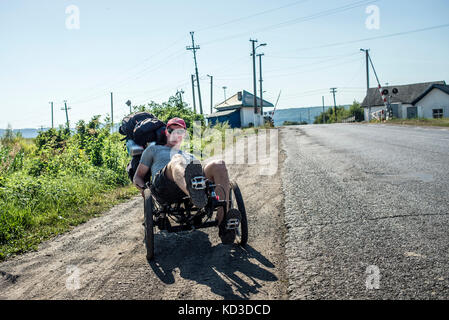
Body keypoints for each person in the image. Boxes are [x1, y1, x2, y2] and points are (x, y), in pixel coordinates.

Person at [133, 117, 240, 244]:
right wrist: (145, 191)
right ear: (166, 132)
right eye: (172, 130)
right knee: (177, 159)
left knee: (219, 164)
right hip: (164, 186)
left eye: (180, 131)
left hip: (192, 183)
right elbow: (138, 177)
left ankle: (223, 223)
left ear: (184, 135)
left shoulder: (190, 156)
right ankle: (195, 194)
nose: (176, 134)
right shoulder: (153, 150)